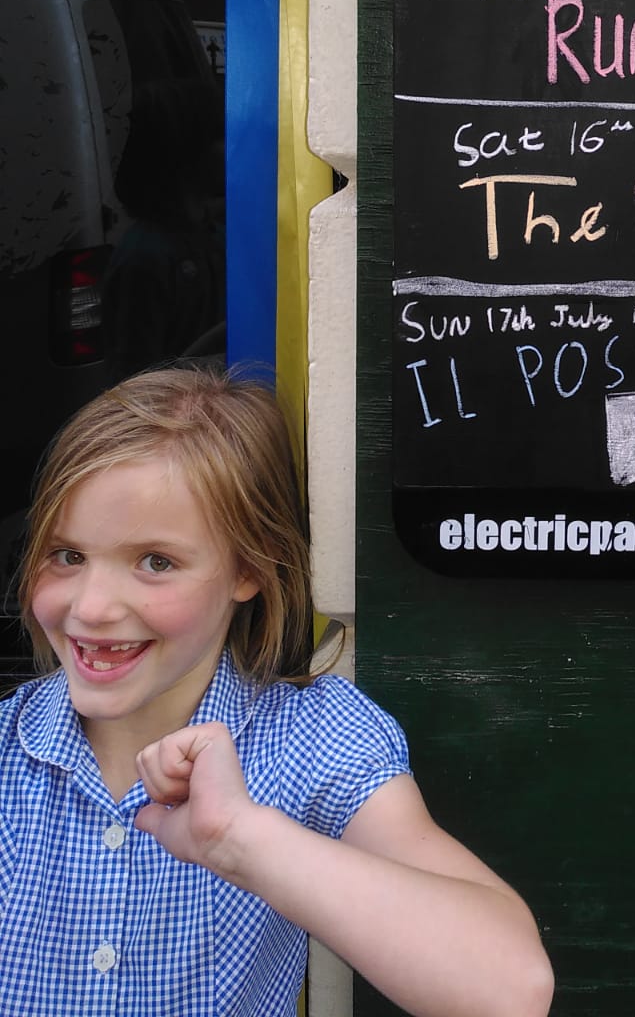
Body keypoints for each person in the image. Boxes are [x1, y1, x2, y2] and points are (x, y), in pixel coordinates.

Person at [0, 366, 554, 1017]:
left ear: (249, 569)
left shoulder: (311, 736)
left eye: (156, 562)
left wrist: (239, 838)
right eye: (67, 555)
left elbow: (510, 990)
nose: (91, 608)